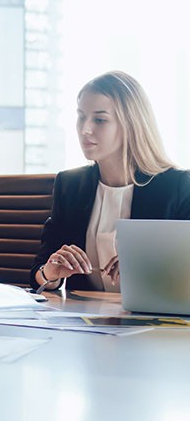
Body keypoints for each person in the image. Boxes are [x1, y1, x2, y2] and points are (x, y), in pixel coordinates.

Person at [31, 70, 190, 292]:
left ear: (131, 125)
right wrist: (50, 273)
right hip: (85, 320)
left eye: (99, 119)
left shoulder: (177, 187)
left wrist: (149, 269)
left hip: (153, 319)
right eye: (81, 116)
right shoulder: (70, 185)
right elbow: (39, 270)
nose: (85, 129)